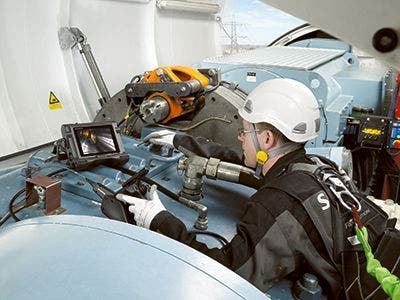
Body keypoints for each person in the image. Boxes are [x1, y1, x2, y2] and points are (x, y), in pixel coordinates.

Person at [116, 78, 396, 299]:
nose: (240, 137)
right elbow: (250, 162)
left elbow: (227, 270)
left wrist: (158, 220)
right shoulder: (313, 165)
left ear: (266, 138)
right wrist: (182, 141)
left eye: (244, 131)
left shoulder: (276, 205)